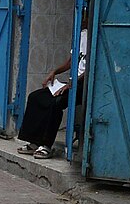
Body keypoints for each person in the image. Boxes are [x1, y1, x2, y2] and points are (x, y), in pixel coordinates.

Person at [16, 26, 88, 159]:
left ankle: (46, 146)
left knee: (56, 103)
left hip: (84, 85)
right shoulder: (82, 35)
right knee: (36, 97)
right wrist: (54, 72)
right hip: (72, 83)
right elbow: (70, 62)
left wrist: (72, 84)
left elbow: (89, 69)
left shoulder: (95, 38)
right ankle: (34, 142)